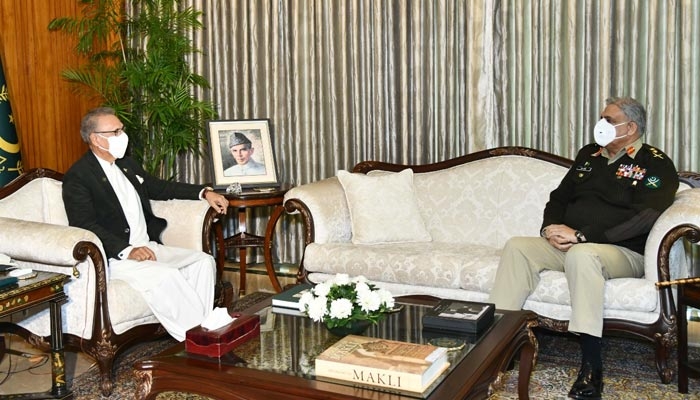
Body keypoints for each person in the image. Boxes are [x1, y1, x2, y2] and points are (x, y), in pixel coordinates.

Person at [488, 97, 678, 400]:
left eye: (609, 119)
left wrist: (580, 235)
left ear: (630, 127)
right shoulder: (588, 155)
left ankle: (592, 366)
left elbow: (645, 218)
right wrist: (549, 228)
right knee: (518, 247)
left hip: (622, 252)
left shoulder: (655, 163)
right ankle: (495, 347)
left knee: (582, 253)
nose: (600, 124)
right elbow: (558, 198)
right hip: (572, 244)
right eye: (601, 117)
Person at [62, 107, 229, 342]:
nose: (123, 136)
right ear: (96, 139)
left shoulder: (126, 164)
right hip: (115, 258)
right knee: (167, 276)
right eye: (116, 131)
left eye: (122, 129)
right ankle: (200, 338)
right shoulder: (79, 177)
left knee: (202, 262)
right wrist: (128, 250)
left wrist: (204, 192)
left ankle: (199, 330)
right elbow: (84, 225)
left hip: (148, 246)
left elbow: (160, 187)